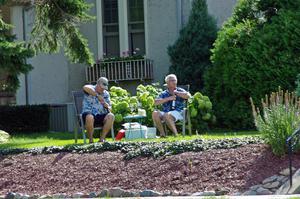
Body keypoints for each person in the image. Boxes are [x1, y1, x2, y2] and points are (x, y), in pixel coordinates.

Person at [82, 77, 114, 143]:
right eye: (102, 87)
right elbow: (85, 87)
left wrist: (107, 106)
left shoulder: (106, 94)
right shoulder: (91, 88)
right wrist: (97, 95)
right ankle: (91, 140)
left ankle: (102, 139)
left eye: (104, 88)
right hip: (89, 114)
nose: (103, 89)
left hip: (101, 115)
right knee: (90, 117)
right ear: (98, 84)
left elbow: (110, 108)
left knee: (111, 116)